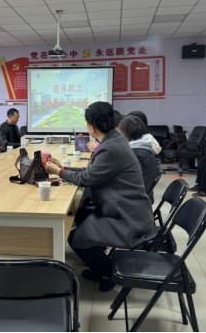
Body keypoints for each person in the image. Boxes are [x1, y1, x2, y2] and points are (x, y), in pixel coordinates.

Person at [46, 102, 154, 292]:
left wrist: (58, 172)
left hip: (128, 218)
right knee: (81, 214)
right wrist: (63, 168)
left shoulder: (110, 147)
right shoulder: (114, 140)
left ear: (91, 127)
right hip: (127, 208)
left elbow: (86, 179)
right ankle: (99, 258)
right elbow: (92, 172)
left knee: (75, 238)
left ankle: (108, 273)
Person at [118, 115, 159, 203]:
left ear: (123, 135)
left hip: (130, 202)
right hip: (141, 198)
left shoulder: (133, 156)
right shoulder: (146, 149)